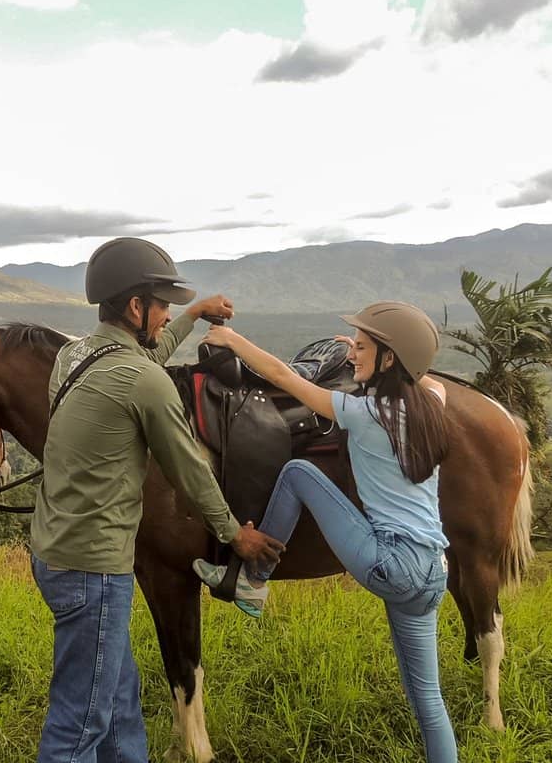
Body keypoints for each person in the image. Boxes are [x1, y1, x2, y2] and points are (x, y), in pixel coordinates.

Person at [29, 237, 285, 763]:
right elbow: (189, 469)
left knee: (120, 705)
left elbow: (146, 356)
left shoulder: (73, 356)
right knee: (80, 725)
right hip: (94, 568)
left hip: (53, 552)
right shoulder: (144, 381)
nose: (167, 315)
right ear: (135, 307)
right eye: (163, 305)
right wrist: (235, 534)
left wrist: (192, 314)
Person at [192, 301, 457, 763]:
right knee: (428, 703)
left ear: (391, 359)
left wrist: (232, 340)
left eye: (362, 347)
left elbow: (283, 376)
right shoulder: (433, 405)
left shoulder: (364, 413)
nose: (353, 354)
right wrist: (359, 352)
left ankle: (253, 580)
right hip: (433, 572)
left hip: (391, 564)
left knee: (297, 472)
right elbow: (429, 379)